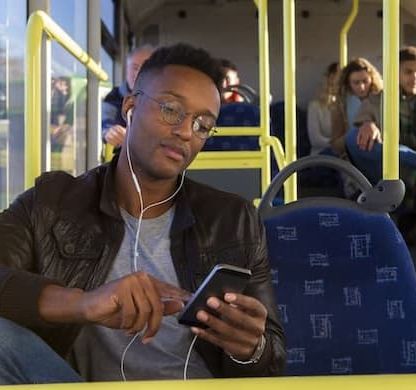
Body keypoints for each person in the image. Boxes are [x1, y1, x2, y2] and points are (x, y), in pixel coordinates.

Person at [0, 43, 285, 384]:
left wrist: (250, 348)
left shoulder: (234, 219)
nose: (185, 132)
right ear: (131, 106)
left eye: (202, 125)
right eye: (170, 109)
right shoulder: (53, 203)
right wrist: (84, 303)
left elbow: (273, 357)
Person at [345, 47, 416, 243]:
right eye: (408, 72)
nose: (414, 78)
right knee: (354, 138)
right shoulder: (380, 98)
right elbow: (365, 114)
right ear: (397, 74)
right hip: (391, 165)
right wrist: (368, 123)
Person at [329, 58, 383, 159]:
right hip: (352, 154)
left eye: (365, 81)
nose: (362, 87)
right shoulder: (341, 105)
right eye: (356, 83)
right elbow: (335, 143)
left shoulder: (381, 99)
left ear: (372, 79)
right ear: (348, 83)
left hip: (379, 150)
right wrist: (355, 136)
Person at [102, 45, 154, 148]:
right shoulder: (114, 97)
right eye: (134, 68)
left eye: (145, 68)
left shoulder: (167, 100)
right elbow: (104, 120)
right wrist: (109, 131)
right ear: (127, 70)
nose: (138, 73)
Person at [306, 62, 338, 155]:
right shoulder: (315, 106)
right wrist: (338, 145)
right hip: (321, 156)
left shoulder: (348, 105)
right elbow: (315, 140)